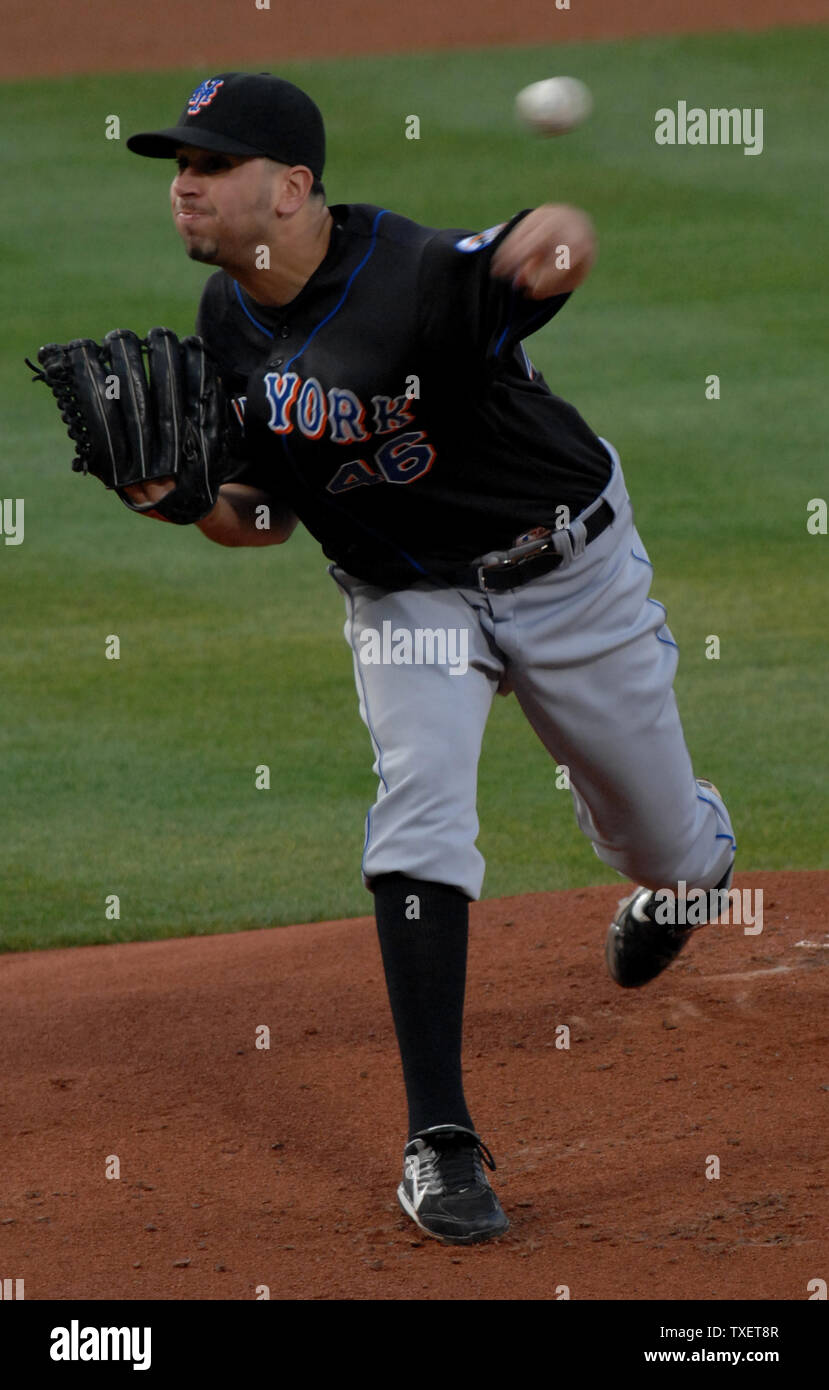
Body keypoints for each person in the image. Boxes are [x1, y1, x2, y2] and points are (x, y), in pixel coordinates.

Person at [123, 71, 736, 1246]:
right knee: (420, 808)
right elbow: (263, 517)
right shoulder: (225, 321)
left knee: (660, 844)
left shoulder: (412, 276)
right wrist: (180, 502)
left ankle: (693, 863)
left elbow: (537, 256)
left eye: (208, 166)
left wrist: (553, 242)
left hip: (567, 575)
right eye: (178, 168)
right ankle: (440, 1139)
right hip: (407, 602)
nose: (183, 189)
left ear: (292, 186)